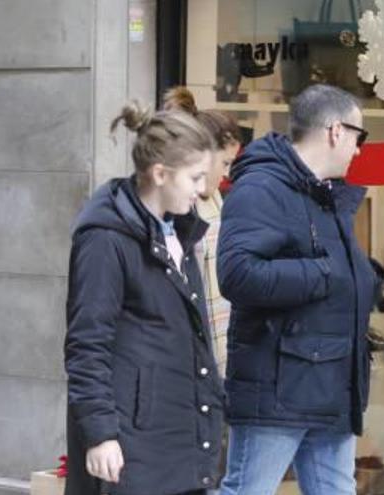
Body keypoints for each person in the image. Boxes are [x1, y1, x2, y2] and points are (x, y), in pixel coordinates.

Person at [217, 84, 377, 495]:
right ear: (335, 131)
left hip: (330, 382)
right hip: (278, 388)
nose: (359, 150)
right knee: (246, 491)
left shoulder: (323, 194)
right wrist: (324, 274)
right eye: (360, 136)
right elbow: (238, 274)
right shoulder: (261, 188)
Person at [64, 102, 224, 495]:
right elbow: (87, 343)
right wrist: (100, 433)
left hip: (181, 441)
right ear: (159, 174)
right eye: (194, 177)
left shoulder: (181, 234)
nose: (202, 190)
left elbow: (194, 340)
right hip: (133, 447)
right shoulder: (105, 239)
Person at [163, 86, 242, 376]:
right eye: (225, 163)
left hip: (219, 362)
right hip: (189, 367)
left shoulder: (216, 201)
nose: (227, 173)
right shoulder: (174, 208)